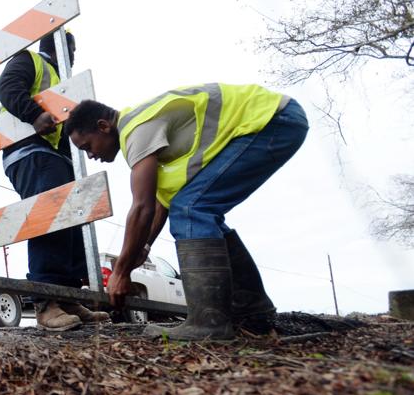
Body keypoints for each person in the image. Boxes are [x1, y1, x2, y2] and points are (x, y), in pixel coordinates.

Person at [64, 83, 308, 340]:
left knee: (192, 209)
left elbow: (142, 206)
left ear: (104, 126)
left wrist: (121, 272)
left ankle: (208, 324)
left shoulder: (136, 129)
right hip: (277, 120)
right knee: (195, 207)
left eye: (87, 146)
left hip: (273, 121)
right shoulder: (143, 129)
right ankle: (252, 310)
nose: (90, 155)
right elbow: (163, 202)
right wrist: (143, 247)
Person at [0, 31, 108, 331]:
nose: (73, 56)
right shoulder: (30, 60)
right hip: (28, 151)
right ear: (59, 47)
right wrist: (34, 115)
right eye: (71, 50)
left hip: (56, 158)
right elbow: (7, 88)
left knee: (70, 220)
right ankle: (46, 302)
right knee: (48, 215)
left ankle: (67, 297)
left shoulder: (63, 83)